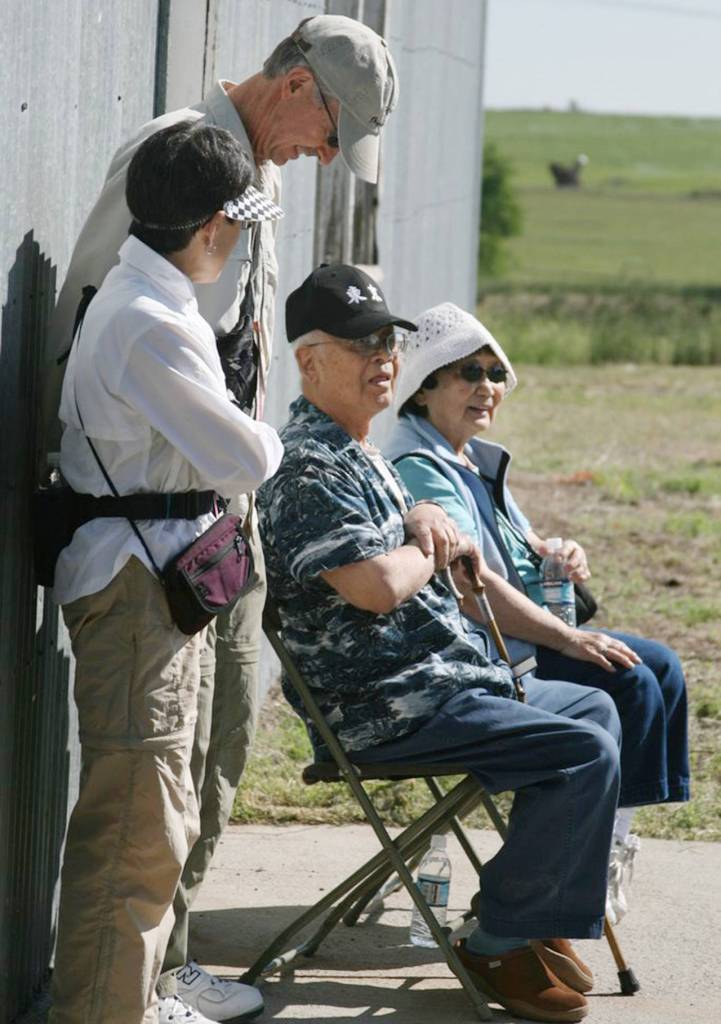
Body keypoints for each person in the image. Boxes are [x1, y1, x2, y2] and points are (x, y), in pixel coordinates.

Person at [43, 15, 399, 1021]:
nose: (321, 159)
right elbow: (86, 310)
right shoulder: (179, 160)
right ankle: (124, 988)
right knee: (146, 788)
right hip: (152, 515)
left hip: (214, 516)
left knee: (216, 747)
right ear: (294, 87)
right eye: (328, 135)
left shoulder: (260, 181)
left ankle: (163, 966)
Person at [257, 263, 626, 1024]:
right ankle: (496, 938)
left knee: (594, 708)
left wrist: (420, 508)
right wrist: (428, 538)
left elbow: (403, 543)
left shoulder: (357, 451)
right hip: (384, 704)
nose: (383, 358)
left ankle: (534, 911)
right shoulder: (306, 465)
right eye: (361, 346)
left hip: (436, 679)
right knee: (581, 751)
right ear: (309, 360)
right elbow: (374, 587)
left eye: (388, 341)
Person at [49, 122, 283, 1024]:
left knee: (153, 819)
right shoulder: (152, 323)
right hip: (138, 594)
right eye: (236, 224)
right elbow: (248, 458)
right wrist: (255, 425)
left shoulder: (154, 301)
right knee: (134, 837)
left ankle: (128, 1002)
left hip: (150, 590)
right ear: (214, 226)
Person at [387, 301, 690, 924]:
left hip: (521, 634)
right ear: (424, 389)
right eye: (468, 371)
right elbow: (474, 588)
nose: (487, 387)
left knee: (662, 668)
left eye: (495, 374)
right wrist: (572, 640)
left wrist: (555, 552)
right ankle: (584, 858)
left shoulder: (470, 458)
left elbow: (511, 553)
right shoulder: (423, 468)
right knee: (630, 678)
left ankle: (607, 850)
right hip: (489, 651)